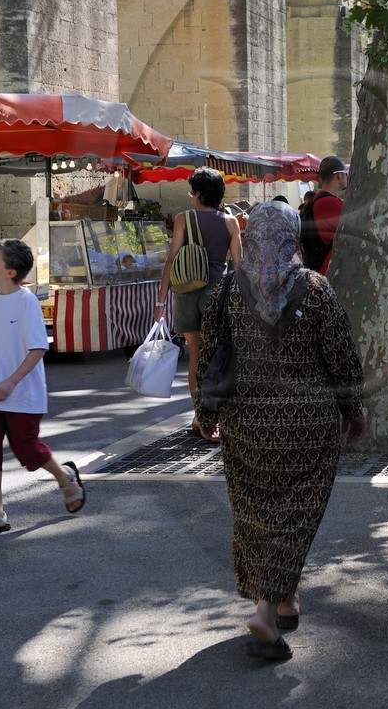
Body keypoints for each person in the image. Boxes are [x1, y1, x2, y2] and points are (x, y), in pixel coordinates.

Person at [194, 202, 366, 661]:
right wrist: (356, 412)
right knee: (295, 518)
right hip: (308, 428)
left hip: (244, 426)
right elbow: (342, 358)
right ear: (291, 235)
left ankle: (281, 599)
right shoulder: (316, 290)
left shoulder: (228, 290)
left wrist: (204, 414)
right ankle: (267, 613)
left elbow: (208, 357)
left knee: (255, 516)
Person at [0, 240, 86, 537]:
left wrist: (11, 382)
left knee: (28, 450)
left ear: (10, 272)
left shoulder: (27, 301)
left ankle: (66, 476)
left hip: (24, 393)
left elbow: (37, 349)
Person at [157, 167, 242, 425]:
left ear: (197, 194)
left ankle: (199, 416)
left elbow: (171, 260)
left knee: (194, 354)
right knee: (217, 353)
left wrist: (160, 301)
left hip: (185, 294)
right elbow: (240, 266)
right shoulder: (230, 222)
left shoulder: (184, 218)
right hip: (217, 293)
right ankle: (217, 414)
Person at [301, 155, 348, 274]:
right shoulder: (330, 203)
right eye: (345, 172)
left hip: (318, 271)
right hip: (328, 273)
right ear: (339, 175)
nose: (347, 176)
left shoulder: (314, 201)